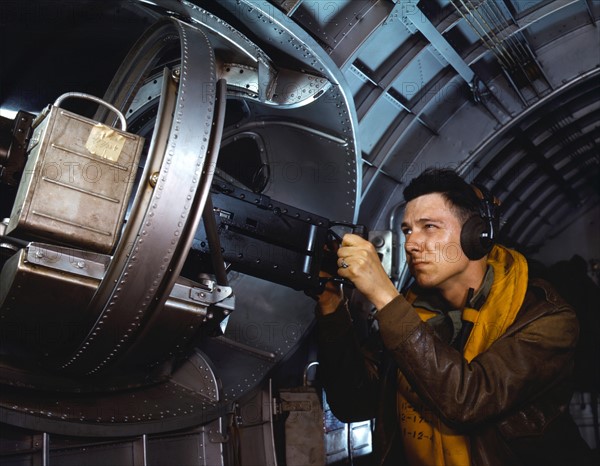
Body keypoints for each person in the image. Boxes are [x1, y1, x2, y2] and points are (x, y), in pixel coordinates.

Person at [316, 168, 596, 465]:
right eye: (408, 230)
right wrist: (331, 303)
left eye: (430, 227)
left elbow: (468, 402)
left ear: (477, 234)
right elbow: (352, 403)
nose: (411, 243)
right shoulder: (412, 315)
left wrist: (385, 296)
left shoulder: (547, 320)